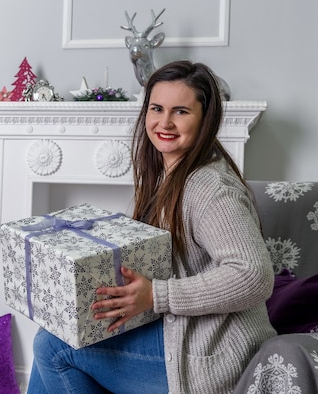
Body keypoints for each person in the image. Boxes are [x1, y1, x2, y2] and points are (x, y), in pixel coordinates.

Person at [26, 60, 276, 394]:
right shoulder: (168, 177)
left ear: (206, 118)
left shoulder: (210, 188)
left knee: (52, 346)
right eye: (157, 108)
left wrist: (156, 294)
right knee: (60, 332)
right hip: (181, 334)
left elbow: (253, 275)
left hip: (211, 355)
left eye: (181, 111)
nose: (165, 122)